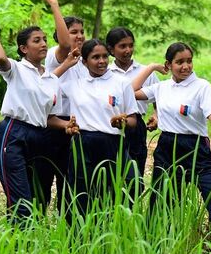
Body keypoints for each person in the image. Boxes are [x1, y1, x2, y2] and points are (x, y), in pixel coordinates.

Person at [0, 0, 78, 223]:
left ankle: (23, 246)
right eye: (37, 41)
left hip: (39, 137)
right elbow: (0, 59)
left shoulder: (49, 77)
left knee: (34, 198)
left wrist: (64, 126)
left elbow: (47, 117)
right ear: (24, 49)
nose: (44, 43)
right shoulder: (16, 69)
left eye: (45, 39)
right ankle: (16, 249)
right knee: (20, 201)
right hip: (14, 134)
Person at [132, 42, 211, 248]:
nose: (186, 66)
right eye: (179, 62)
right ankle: (155, 251)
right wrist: (153, 67)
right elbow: (131, 91)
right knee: (161, 206)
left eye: (189, 61)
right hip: (167, 148)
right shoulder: (161, 87)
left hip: (196, 149)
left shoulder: (202, 86)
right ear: (169, 64)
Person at [59, 39, 140, 215]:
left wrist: (124, 122)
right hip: (83, 142)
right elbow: (46, 83)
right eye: (95, 57)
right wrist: (66, 64)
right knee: (81, 188)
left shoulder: (121, 83)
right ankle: (79, 233)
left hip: (114, 142)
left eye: (104, 56)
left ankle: (114, 226)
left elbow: (133, 118)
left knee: (127, 184)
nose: (101, 61)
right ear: (84, 61)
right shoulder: (75, 84)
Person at [39, 15, 85, 214]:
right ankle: (34, 225)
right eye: (74, 32)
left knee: (69, 179)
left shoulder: (86, 60)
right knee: (43, 179)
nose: (80, 36)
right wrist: (54, 5)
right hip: (52, 124)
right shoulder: (55, 55)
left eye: (82, 31)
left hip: (76, 126)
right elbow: (65, 46)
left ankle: (67, 226)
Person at [105, 26, 159, 191]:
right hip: (111, 125)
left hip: (136, 126)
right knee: (111, 171)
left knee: (135, 171)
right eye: (122, 46)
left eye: (130, 45)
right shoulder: (105, 72)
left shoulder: (144, 71)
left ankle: (131, 210)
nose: (128, 50)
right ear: (111, 49)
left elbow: (159, 97)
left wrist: (156, 115)